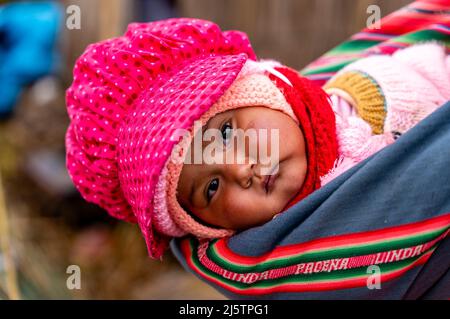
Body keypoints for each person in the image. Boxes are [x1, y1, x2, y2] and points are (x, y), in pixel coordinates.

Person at [65, 18, 449, 259]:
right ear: (205, 227)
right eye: (211, 188)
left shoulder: (369, 78)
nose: (240, 168)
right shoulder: (305, 255)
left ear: (264, 94)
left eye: (227, 131)